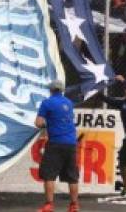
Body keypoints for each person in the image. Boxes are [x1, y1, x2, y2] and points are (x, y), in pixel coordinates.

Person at [36, 79, 79, 212]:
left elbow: (38, 123)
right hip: (71, 143)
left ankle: (49, 205)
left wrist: (46, 125)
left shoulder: (47, 103)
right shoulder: (69, 103)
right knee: (72, 177)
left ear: (51, 89)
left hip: (55, 142)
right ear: (62, 90)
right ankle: (74, 206)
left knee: (49, 175)